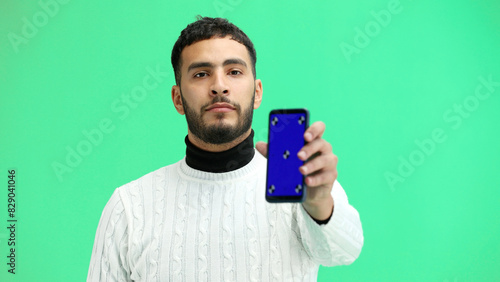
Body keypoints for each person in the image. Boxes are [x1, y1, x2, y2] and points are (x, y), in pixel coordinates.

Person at [87, 16, 363, 281]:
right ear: (177, 99)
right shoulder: (129, 205)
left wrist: (318, 204)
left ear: (257, 93)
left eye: (234, 72)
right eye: (201, 73)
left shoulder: (300, 182)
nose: (219, 86)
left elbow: (345, 252)